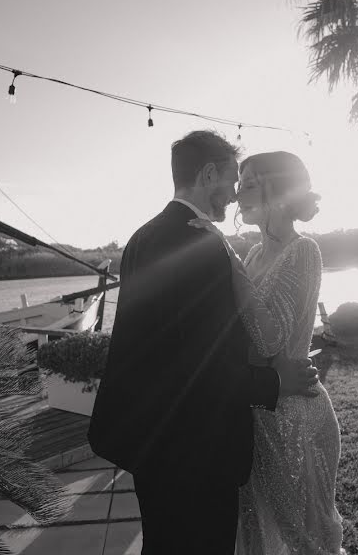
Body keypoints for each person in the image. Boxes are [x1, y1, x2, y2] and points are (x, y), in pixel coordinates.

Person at [88, 131, 320, 555]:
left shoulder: (143, 236)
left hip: (154, 440)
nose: (233, 194)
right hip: (196, 449)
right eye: (233, 179)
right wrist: (271, 383)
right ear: (209, 173)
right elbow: (203, 362)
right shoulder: (200, 243)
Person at [190, 150, 344, 555]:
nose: (239, 193)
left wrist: (223, 255)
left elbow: (269, 340)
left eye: (252, 184)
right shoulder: (254, 254)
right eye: (240, 184)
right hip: (254, 413)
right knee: (256, 536)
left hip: (293, 419)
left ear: (281, 190)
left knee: (305, 540)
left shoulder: (303, 251)